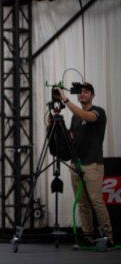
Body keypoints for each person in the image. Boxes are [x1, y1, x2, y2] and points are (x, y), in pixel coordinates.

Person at [57, 82, 113, 246]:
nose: (82, 94)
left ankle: (108, 237)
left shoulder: (98, 112)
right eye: (80, 92)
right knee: (82, 204)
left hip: (92, 164)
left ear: (92, 95)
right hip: (76, 164)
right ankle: (88, 237)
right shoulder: (75, 117)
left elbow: (86, 116)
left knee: (96, 201)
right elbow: (71, 138)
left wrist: (66, 101)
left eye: (86, 92)